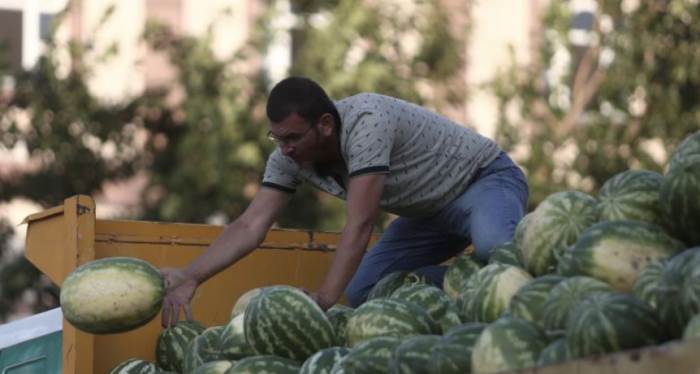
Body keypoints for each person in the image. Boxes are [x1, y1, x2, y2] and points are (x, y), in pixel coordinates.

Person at [160, 76, 528, 326]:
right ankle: (464, 286)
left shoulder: (367, 121)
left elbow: (361, 222)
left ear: (325, 124)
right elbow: (250, 224)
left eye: (292, 138)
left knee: (497, 249)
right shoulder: (288, 157)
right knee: (363, 291)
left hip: (483, 181)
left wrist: (322, 298)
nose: (284, 149)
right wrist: (191, 276)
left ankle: (534, 287)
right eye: (276, 139)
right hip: (428, 214)